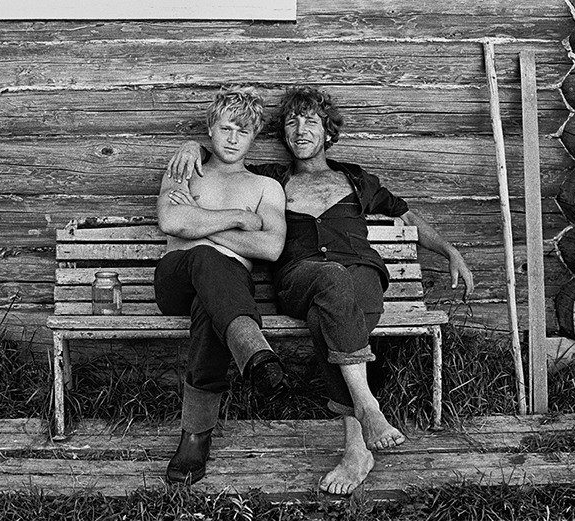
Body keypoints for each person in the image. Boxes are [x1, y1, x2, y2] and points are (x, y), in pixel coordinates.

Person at [167, 86, 474, 495]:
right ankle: (366, 407)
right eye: (292, 121)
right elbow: (225, 153)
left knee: (330, 307)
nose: (301, 128)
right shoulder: (272, 179)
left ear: (328, 132)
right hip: (300, 276)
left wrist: (450, 249)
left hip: (360, 272)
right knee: (331, 280)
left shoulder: (355, 179)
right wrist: (191, 144)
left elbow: (406, 214)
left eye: (311, 120)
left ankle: (355, 449)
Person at [154, 86, 287, 485]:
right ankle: (253, 348)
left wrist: (202, 220)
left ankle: (195, 437)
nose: (232, 138)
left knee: (210, 308)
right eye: (226, 127)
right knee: (207, 259)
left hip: (223, 296)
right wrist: (237, 218)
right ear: (211, 128)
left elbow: (272, 246)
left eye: (242, 132)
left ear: (254, 137)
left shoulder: (266, 188)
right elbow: (172, 223)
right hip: (175, 279)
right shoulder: (185, 167)